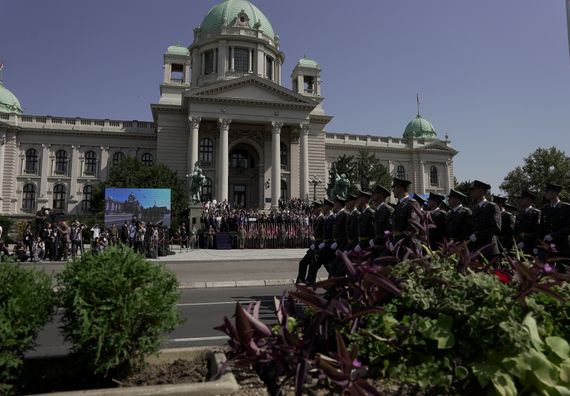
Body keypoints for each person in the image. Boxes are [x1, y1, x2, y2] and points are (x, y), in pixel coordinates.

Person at [539, 183, 570, 271]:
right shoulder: (545, 209)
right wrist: (538, 245)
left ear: (555, 193)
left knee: (562, 271)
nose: (545, 194)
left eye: (547, 191)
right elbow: (541, 229)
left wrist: (554, 235)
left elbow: (568, 228)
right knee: (547, 272)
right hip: (547, 247)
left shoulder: (566, 208)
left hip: (562, 247)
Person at [468, 180, 501, 261]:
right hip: (477, 249)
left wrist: (477, 235)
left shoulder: (492, 206)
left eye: (473, 189)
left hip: (489, 250)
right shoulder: (474, 208)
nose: (471, 192)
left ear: (481, 191)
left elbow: (496, 228)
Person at [391, 178, 421, 257]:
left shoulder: (412, 203)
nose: (393, 190)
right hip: (400, 244)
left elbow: (412, 228)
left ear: (400, 188)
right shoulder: (400, 204)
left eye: (394, 188)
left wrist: (398, 241)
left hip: (408, 246)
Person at [296, 202, 323, 284]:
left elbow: (326, 234)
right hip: (316, 245)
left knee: (315, 264)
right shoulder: (317, 219)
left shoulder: (322, 219)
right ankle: (301, 280)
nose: (313, 210)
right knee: (303, 262)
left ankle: (310, 281)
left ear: (319, 209)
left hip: (321, 246)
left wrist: (319, 243)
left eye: (314, 208)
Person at [369, 185, 393, 256]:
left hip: (384, 246)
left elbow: (389, 230)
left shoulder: (388, 210)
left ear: (380, 195)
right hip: (376, 246)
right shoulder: (377, 210)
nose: (372, 195)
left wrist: (376, 240)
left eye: (374, 193)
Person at [514, 190, 540, 256]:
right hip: (519, 245)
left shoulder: (536, 213)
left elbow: (538, 232)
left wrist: (536, 246)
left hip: (530, 245)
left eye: (522, 199)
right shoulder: (519, 215)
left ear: (529, 200)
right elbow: (515, 232)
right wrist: (514, 244)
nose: (520, 201)